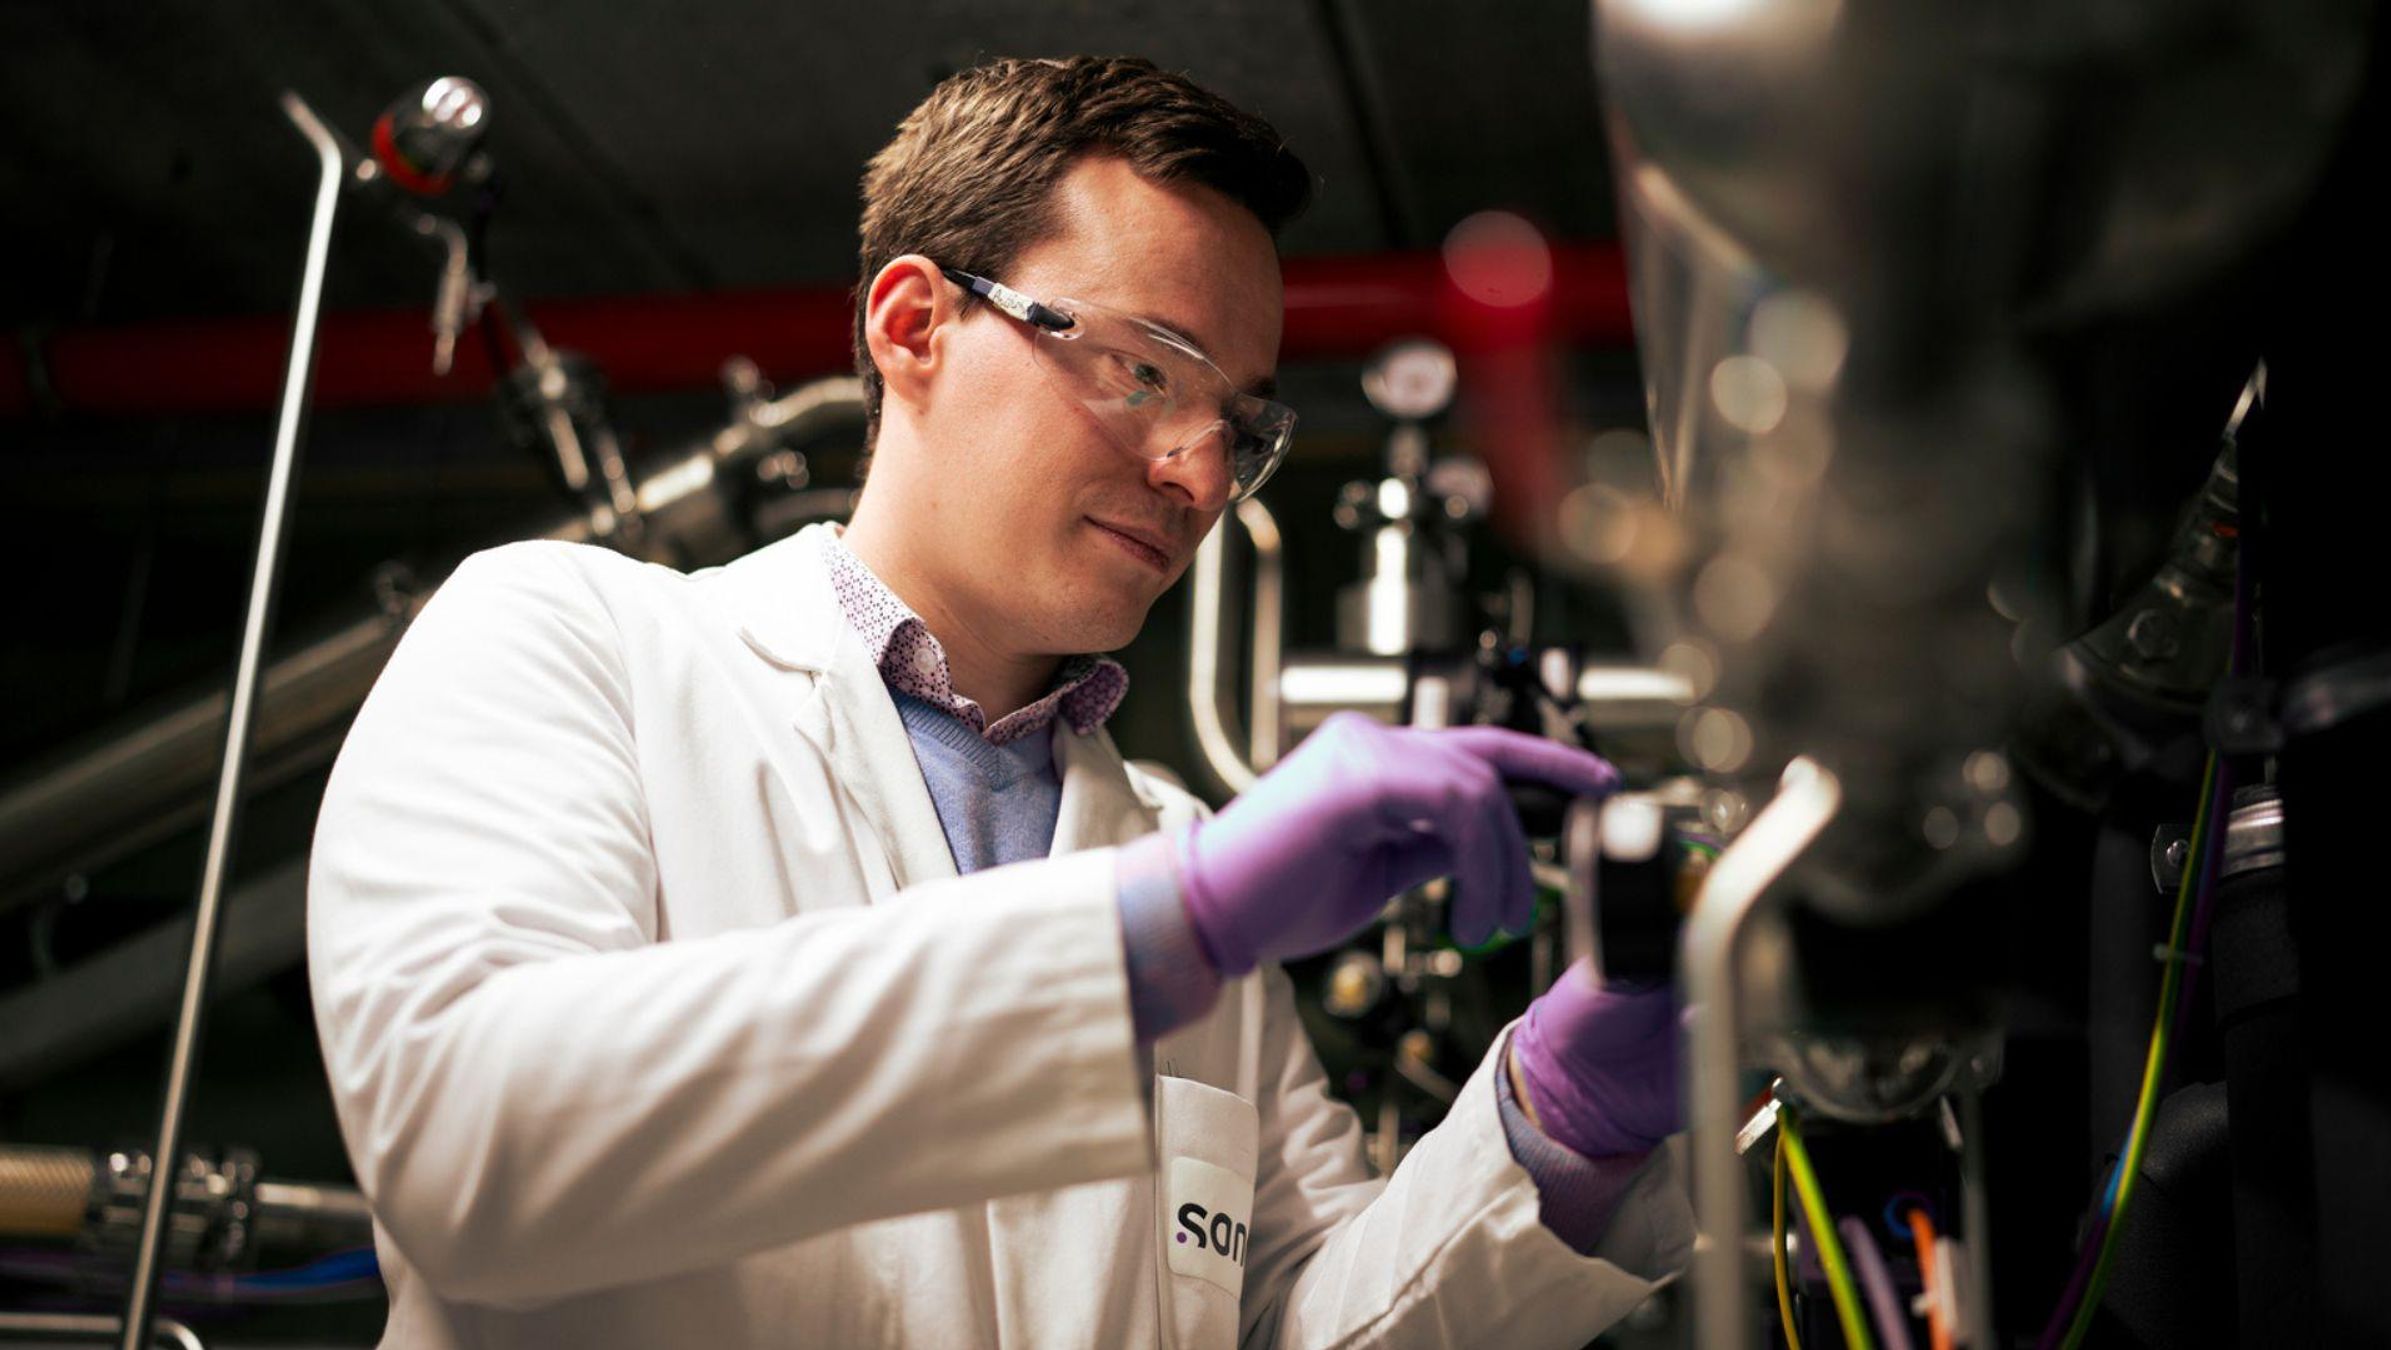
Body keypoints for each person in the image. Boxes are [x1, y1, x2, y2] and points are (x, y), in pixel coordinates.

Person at [308, 55, 1690, 1349]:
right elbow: (466, 1142)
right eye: (1145, 368)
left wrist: (1555, 1130)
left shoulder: (1171, 855)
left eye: (1243, 425)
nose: (1200, 474)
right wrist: (1156, 934)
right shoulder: (570, 642)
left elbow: (1308, 1322)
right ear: (913, 326)